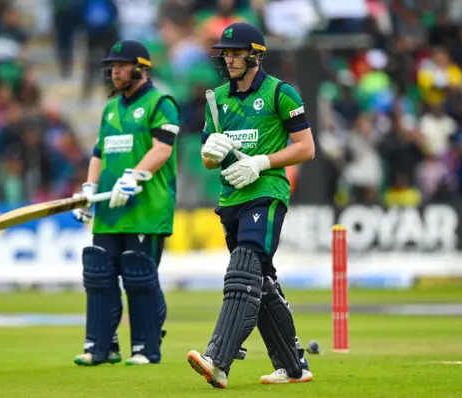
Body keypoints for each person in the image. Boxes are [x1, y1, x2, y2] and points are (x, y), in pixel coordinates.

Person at [186, 22, 315, 388]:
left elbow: (306, 148)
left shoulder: (280, 93)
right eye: (224, 53)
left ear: (255, 55)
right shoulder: (218, 99)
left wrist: (260, 162)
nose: (228, 59)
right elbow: (210, 157)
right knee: (260, 282)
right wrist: (210, 154)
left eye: (235, 52)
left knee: (243, 270)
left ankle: (218, 359)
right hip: (231, 198)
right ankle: (294, 366)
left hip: (267, 193)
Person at [71, 40, 180, 366]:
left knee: (138, 276)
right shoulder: (110, 108)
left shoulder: (162, 103)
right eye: (112, 66)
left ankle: (146, 348)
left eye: (121, 65)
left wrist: (134, 176)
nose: (115, 71)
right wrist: (89, 187)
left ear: (141, 68)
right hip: (109, 209)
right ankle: (101, 347)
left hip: (146, 208)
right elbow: (99, 153)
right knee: (99, 274)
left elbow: (163, 148)